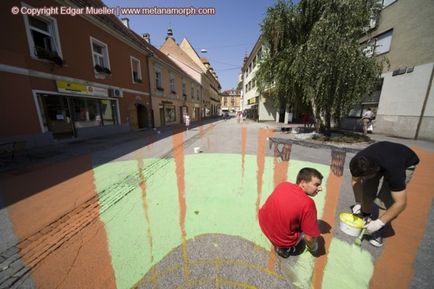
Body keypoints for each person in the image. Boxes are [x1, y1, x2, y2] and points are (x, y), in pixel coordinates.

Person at [349, 141, 419, 247]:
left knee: (385, 199)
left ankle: (379, 230)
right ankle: (365, 217)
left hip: (404, 161)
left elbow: (401, 203)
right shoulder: (358, 161)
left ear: (376, 170)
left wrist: (379, 223)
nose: (362, 178)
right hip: (382, 156)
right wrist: (359, 202)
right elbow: (355, 181)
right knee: (367, 190)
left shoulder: (394, 171)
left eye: (365, 176)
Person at [259, 168, 323, 258]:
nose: (320, 189)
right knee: (310, 231)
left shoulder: (284, 185)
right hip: (281, 241)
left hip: (263, 225)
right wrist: (314, 248)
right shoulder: (308, 203)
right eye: (316, 185)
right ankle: (284, 249)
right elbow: (309, 238)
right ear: (303, 183)